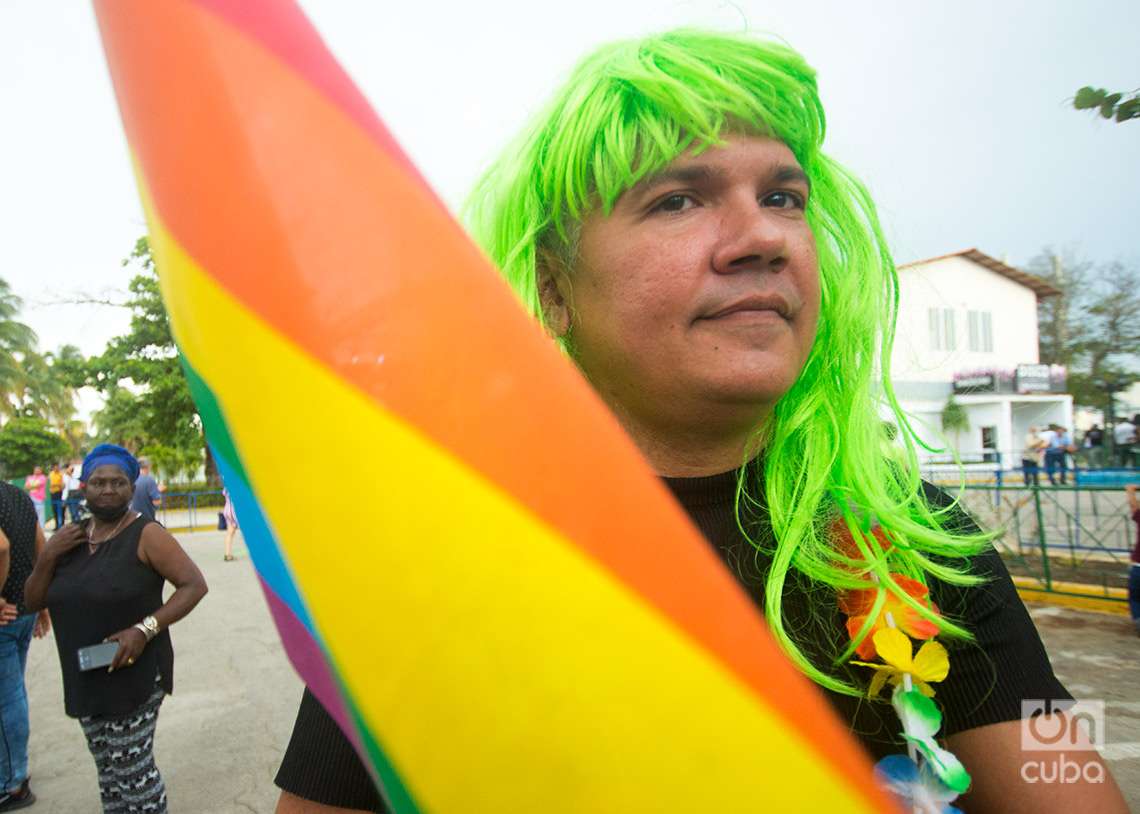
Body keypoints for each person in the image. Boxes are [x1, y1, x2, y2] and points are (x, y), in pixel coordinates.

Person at [272, 30, 1125, 814]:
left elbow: (1064, 773)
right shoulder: (436, 569)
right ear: (553, 288)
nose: (762, 238)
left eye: (785, 196)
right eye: (679, 200)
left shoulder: (919, 537)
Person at [24, 444, 208, 813]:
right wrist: (47, 556)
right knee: (108, 774)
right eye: (98, 482)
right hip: (86, 672)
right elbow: (32, 601)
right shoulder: (69, 538)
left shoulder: (146, 534)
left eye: (118, 482)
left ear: (131, 486)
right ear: (84, 486)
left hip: (134, 672)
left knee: (132, 774)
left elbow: (194, 585)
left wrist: (144, 629)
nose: (107, 490)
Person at [0, 481, 48, 811]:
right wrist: (41, 600)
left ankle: (11, 783)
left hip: (5, 614)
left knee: (7, 698)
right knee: (13, 692)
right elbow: (40, 546)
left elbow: (1, 548)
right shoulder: (16, 494)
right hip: (24, 607)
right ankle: (13, 767)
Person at [130, 457, 163, 522]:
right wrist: (158, 491)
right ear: (148, 467)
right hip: (146, 521)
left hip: (132, 520)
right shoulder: (149, 480)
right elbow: (157, 502)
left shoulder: (131, 480)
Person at [1127, 485, 1140, 636]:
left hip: (1138, 567)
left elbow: (1133, 505)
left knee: (1135, 597)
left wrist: (1131, 490)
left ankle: (1138, 619)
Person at [221, 487, 240, 562]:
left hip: (226, 509)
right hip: (234, 510)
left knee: (230, 533)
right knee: (250, 531)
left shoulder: (226, 487)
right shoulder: (234, 486)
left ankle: (227, 555)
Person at [48, 463, 64, 531]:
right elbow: (50, 484)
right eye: (55, 467)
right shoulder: (51, 474)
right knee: (54, 509)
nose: (56, 468)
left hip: (59, 493)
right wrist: (57, 485)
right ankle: (56, 525)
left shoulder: (61, 474)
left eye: (57, 467)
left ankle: (62, 525)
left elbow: (62, 485)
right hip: (53, 493)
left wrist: (56, 485)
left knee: (61, 509)